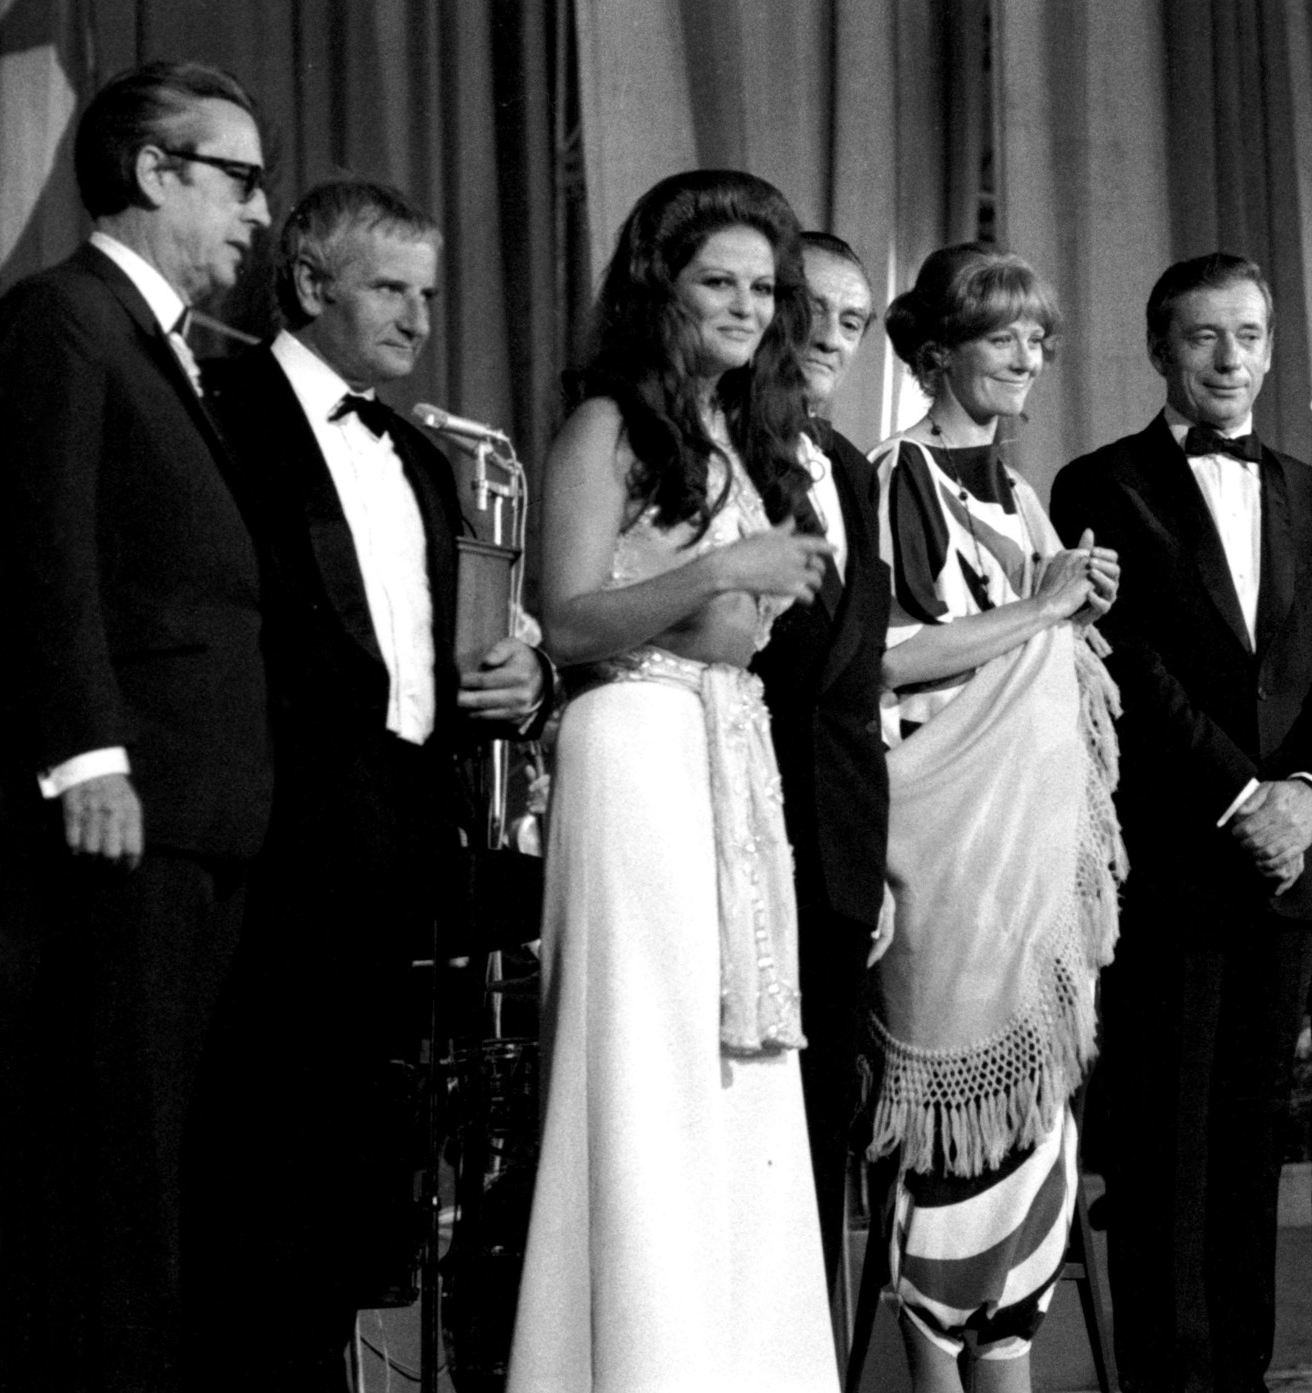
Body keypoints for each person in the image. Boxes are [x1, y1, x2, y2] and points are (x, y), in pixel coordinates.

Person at [197, 178, 549, 1384]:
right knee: (258, 1185)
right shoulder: (220, 414)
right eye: (390, 289)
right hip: (270, 853)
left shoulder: (415, 450)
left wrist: (521, 678)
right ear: (307, 285)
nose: (416, 320)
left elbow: (450, 645)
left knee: (359, 1183)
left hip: (404, 845)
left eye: (430, 294)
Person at [505, 169, 840, 1392]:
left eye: (763, 286)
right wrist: (724, 574)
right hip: (636, 744)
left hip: (721, 748)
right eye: (719, 282)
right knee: (650, 1070)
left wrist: (744, 593)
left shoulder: (731, 433)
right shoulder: (606, 425)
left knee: (735, 1074)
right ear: (660, 288)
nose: (747, 306)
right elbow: (564, 614)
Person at [1050, 252, 1312, 1393]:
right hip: (1175, 863)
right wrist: (1244, 795)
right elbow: (1124, 666)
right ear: (1158, 349)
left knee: (1249, 1151)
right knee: (1167, 1152)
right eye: (1202, 337)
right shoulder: (1099, 484)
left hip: (1289, 870)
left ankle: (1238, 1375)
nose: (1229, 359)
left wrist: (1308, 799)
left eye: (1247, 334)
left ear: (1273, 345)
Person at [0, 60, 273, 1391]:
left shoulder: (161, 342)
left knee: (158, 1158)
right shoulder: (62, 318)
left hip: (204, 813)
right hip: (128, 812)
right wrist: (88, 756)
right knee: (107, 1165)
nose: (259, 216)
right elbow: (37, 549)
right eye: (240, 179)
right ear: (155, 170)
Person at [862, 242, 1124, 1393]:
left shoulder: (1017, 493)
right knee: (952, 1161)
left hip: (1027, 851)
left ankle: (1005, 1363)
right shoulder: (891, 479)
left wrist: (1060, 602)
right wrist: (1042, 615)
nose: (1026, 357)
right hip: (946, 849)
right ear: (935, 354)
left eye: (1036, 339)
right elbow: (887, 659)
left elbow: (1031, 637)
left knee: (1033, 1156)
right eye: (1000, 337)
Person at [753, 228, 892, 1299]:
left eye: (855, 321)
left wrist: (873, 857)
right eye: (815, 311)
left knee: (815, 1143)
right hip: (744, 827)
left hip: (840, 848)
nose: (833, 340)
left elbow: (862, 680)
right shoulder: (721, 444)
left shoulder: (851, 466)